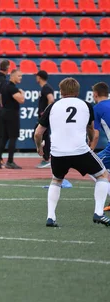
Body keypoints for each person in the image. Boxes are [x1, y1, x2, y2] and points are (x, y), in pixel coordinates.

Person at [34, 77, 110, 227]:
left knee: (56, 180)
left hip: (58, 152)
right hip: (79, 150)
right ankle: (99, 213)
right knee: (102, 175)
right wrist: (89, 142)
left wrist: (39, 147)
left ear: (61, 91)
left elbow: (38, 133)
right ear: (77, 91)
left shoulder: (53, 107)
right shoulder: (86, 105)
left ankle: (51, 217)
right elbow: (91, 130)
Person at [0, 69, 25, 169]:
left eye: (21, 76)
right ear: (12, 76)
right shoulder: (12, 88)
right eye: (19, 76)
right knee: (13, 137)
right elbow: (21, 100)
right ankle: (10, 161)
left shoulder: (4, 85)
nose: (20, 78)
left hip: (4, 112)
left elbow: (0, 99)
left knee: (4, 138)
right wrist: (22, 93)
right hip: (12, 114)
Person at [91, 82, 110, 211]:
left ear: (95, 94)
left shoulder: (97, 108)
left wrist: (89, 150)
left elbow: (95, 134)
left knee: (93, 167)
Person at [35, 70, 55, 168]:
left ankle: (46, 158)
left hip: (45, 117)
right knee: (40, 135)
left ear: (39, 77)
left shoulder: (46, 88)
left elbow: (51, 100)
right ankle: (46, 156)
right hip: (43, 116)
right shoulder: (45, 88)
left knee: (44, 136)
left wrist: (46, 112)